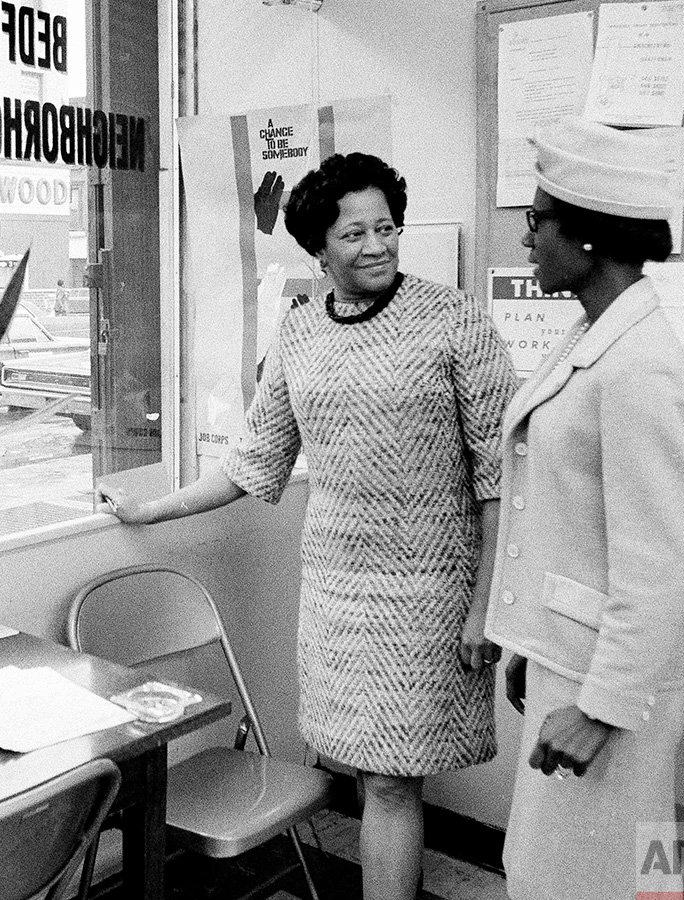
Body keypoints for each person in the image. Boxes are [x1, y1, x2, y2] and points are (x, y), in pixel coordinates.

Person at [100, 153, 517, 900]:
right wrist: (150, 509)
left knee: (392, 782)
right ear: (318, 248)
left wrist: (488, 604)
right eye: (355, 233)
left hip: (430, 594)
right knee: (367, 774)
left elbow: (502, 480)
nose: (379, 245)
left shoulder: (454, 319)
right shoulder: (299, 335)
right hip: (335, 594)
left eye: (388, 227)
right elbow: (253, 460)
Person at [487, 117, 684, 900]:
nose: (527, 240)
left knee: (586, 880)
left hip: (614, 686)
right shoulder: (600, 333)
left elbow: (660, 566)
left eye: (537, 222)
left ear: (586, 238)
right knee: (595, 869)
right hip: (580, 659)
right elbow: (578, 525)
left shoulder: (638, 368)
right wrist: (535, 646)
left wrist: (599, 708)